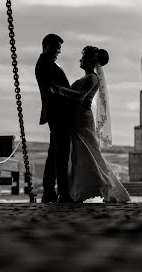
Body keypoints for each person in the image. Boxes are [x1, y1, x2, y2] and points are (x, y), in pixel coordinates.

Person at [50, 46, 130, 203]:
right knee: (82, 153)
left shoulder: (92, 78)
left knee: (89, 152)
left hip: (83, 119)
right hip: (76, 118)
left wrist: (60, 90)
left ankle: (105, 186)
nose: (80, 60)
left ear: (90, 60)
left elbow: (80, 96)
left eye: (83, 57)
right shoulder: (86, 78)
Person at [35, 33, 73, 203]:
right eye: (56, 48)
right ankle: (62, 192)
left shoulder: (47, 63)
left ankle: (50, 191)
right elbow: (52, 90)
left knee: (54, 155)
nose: (58, 51)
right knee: (61, 155)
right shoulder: (45, 64)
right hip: (58, 114)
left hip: (58, 113)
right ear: (47, 46)